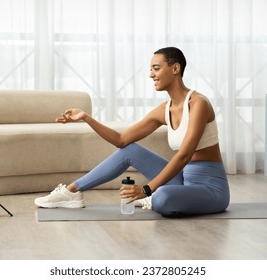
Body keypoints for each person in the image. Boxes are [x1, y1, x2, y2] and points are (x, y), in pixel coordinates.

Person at [34, 47, 230, 217]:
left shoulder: (198, 104)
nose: (151, 74)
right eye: (150, 69)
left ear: (175, 68)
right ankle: (71, 192)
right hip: (183, 179)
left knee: (161, 196)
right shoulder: (165, 109)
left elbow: (184, 155)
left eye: (156, 68)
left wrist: (147, 189)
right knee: (129, 150)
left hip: (210, 188)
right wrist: (86, 118)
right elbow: (121, 140)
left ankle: (157, 198)